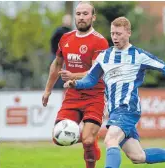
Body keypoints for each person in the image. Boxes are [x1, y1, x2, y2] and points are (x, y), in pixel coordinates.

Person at [64, 16, 165, 168]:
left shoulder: (138, 55)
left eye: (119, 34)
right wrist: (76, 83)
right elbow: (91, 79)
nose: (115, 37)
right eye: (112, 34)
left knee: (111, 139)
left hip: (127, 108)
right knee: (137, 156)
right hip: (114, 111)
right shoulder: (105, 56)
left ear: (128, 33)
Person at [42, 2, 109, 168]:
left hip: (94, 96)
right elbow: (57, 64)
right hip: (72, 96)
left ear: (93, 17)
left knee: (87, 140)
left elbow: (97, 71)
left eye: (85, 14)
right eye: (78, 14)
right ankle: (90, 138)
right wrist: (47, 90)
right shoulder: (65, 38)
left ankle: (90, 141)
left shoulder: (99, 41)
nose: (81, 17)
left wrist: (73, 76)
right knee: (57, 137)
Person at [50, 14, 72, 89]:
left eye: (69, 20)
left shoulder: (69, 32)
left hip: (64, 57)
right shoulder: (60, 32)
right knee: (58, 73)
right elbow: (53, 43)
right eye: (67, 20)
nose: (69, 22)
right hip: (59, 57)